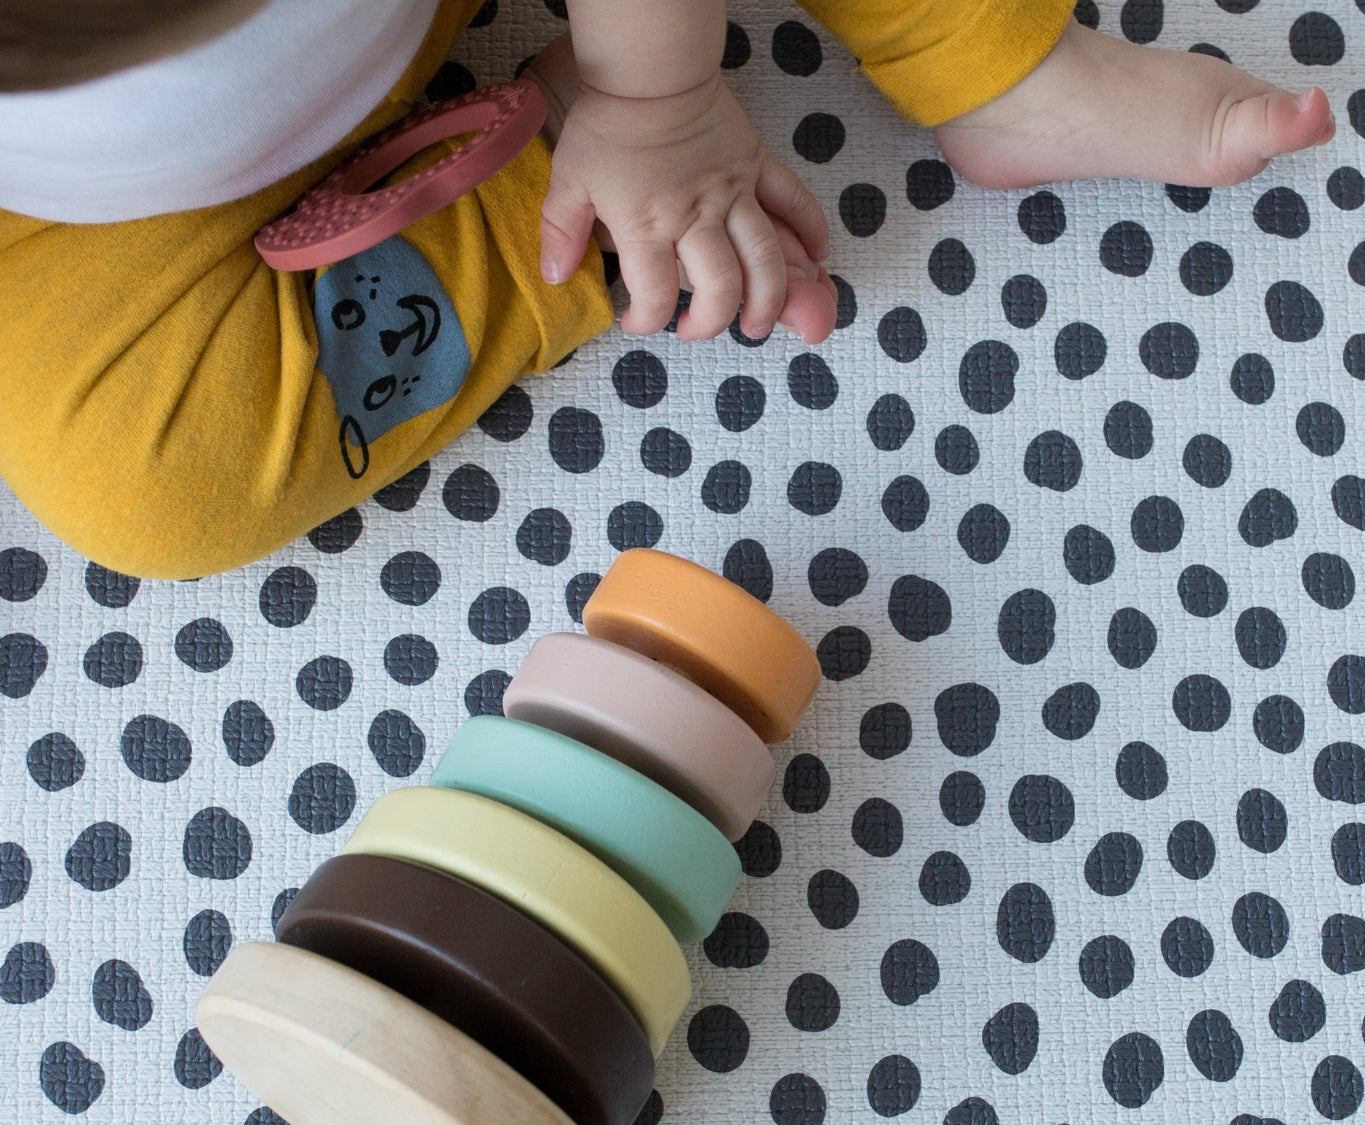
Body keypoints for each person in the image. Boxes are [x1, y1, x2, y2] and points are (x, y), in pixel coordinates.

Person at [0, 0, 1333, 579]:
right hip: (81, 222)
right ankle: (552, 209)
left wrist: (657, 96)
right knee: (144, 478)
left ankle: (988, 59)